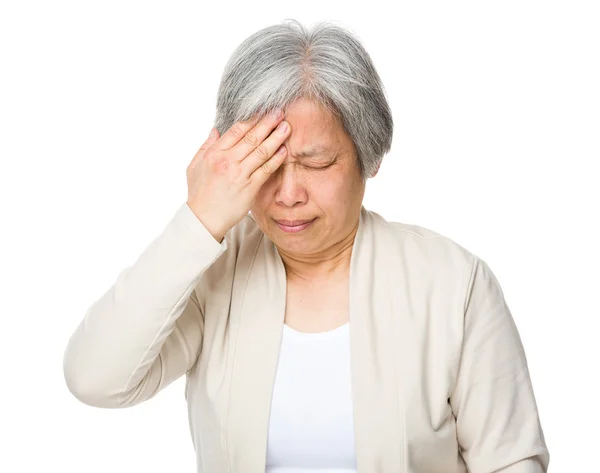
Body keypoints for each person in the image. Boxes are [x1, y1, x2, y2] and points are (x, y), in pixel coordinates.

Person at [63, 19, 549, 473]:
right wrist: (199, 221)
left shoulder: (453, 284)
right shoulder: (211, 273)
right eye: (265, 165)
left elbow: (511, 460)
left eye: (316, 163)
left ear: (369, 156)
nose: (288, 193)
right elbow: (96, 379)